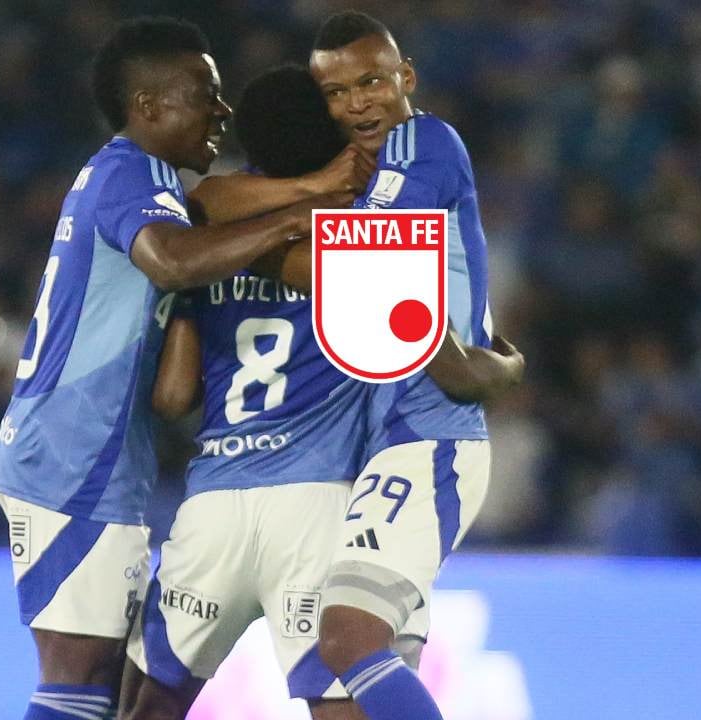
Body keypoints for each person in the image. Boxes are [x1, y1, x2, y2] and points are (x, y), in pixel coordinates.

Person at [121, 64, 523, 720]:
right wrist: (500, 368)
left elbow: (174, 396)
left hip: (215, 502)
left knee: (143, 707)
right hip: (319, 503)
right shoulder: (361, 228)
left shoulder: (212, 231)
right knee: (346, 695)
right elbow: (428, 341)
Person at [0, 19, 355, 720]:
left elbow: (173, 386)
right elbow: (173, 260)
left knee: (100, 690)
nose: (222, 110)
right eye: (204, 94)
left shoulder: (147, 185)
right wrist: (297, 218)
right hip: (73, 453)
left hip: (93, 452)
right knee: (76, 681)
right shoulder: (131, 175)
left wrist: (303, 195)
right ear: (149, 106)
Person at [275, 12, 503, 720]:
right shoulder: (359, 172)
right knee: (350, 693)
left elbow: (363, 263)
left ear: (406, 78)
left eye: (371, 82)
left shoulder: (422, 143)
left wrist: (249, 242)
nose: (357, 104)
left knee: (347, 636)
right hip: (382, 445)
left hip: (429, 436)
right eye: (336, 93)